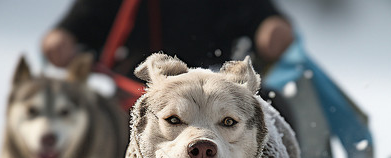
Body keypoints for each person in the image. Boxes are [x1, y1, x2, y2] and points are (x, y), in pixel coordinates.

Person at [42, 0, 294, 80]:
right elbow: (83, 20)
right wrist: (61, 37)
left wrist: (271, 29)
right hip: (139, 93)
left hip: (213, 89)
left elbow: (260, 15)